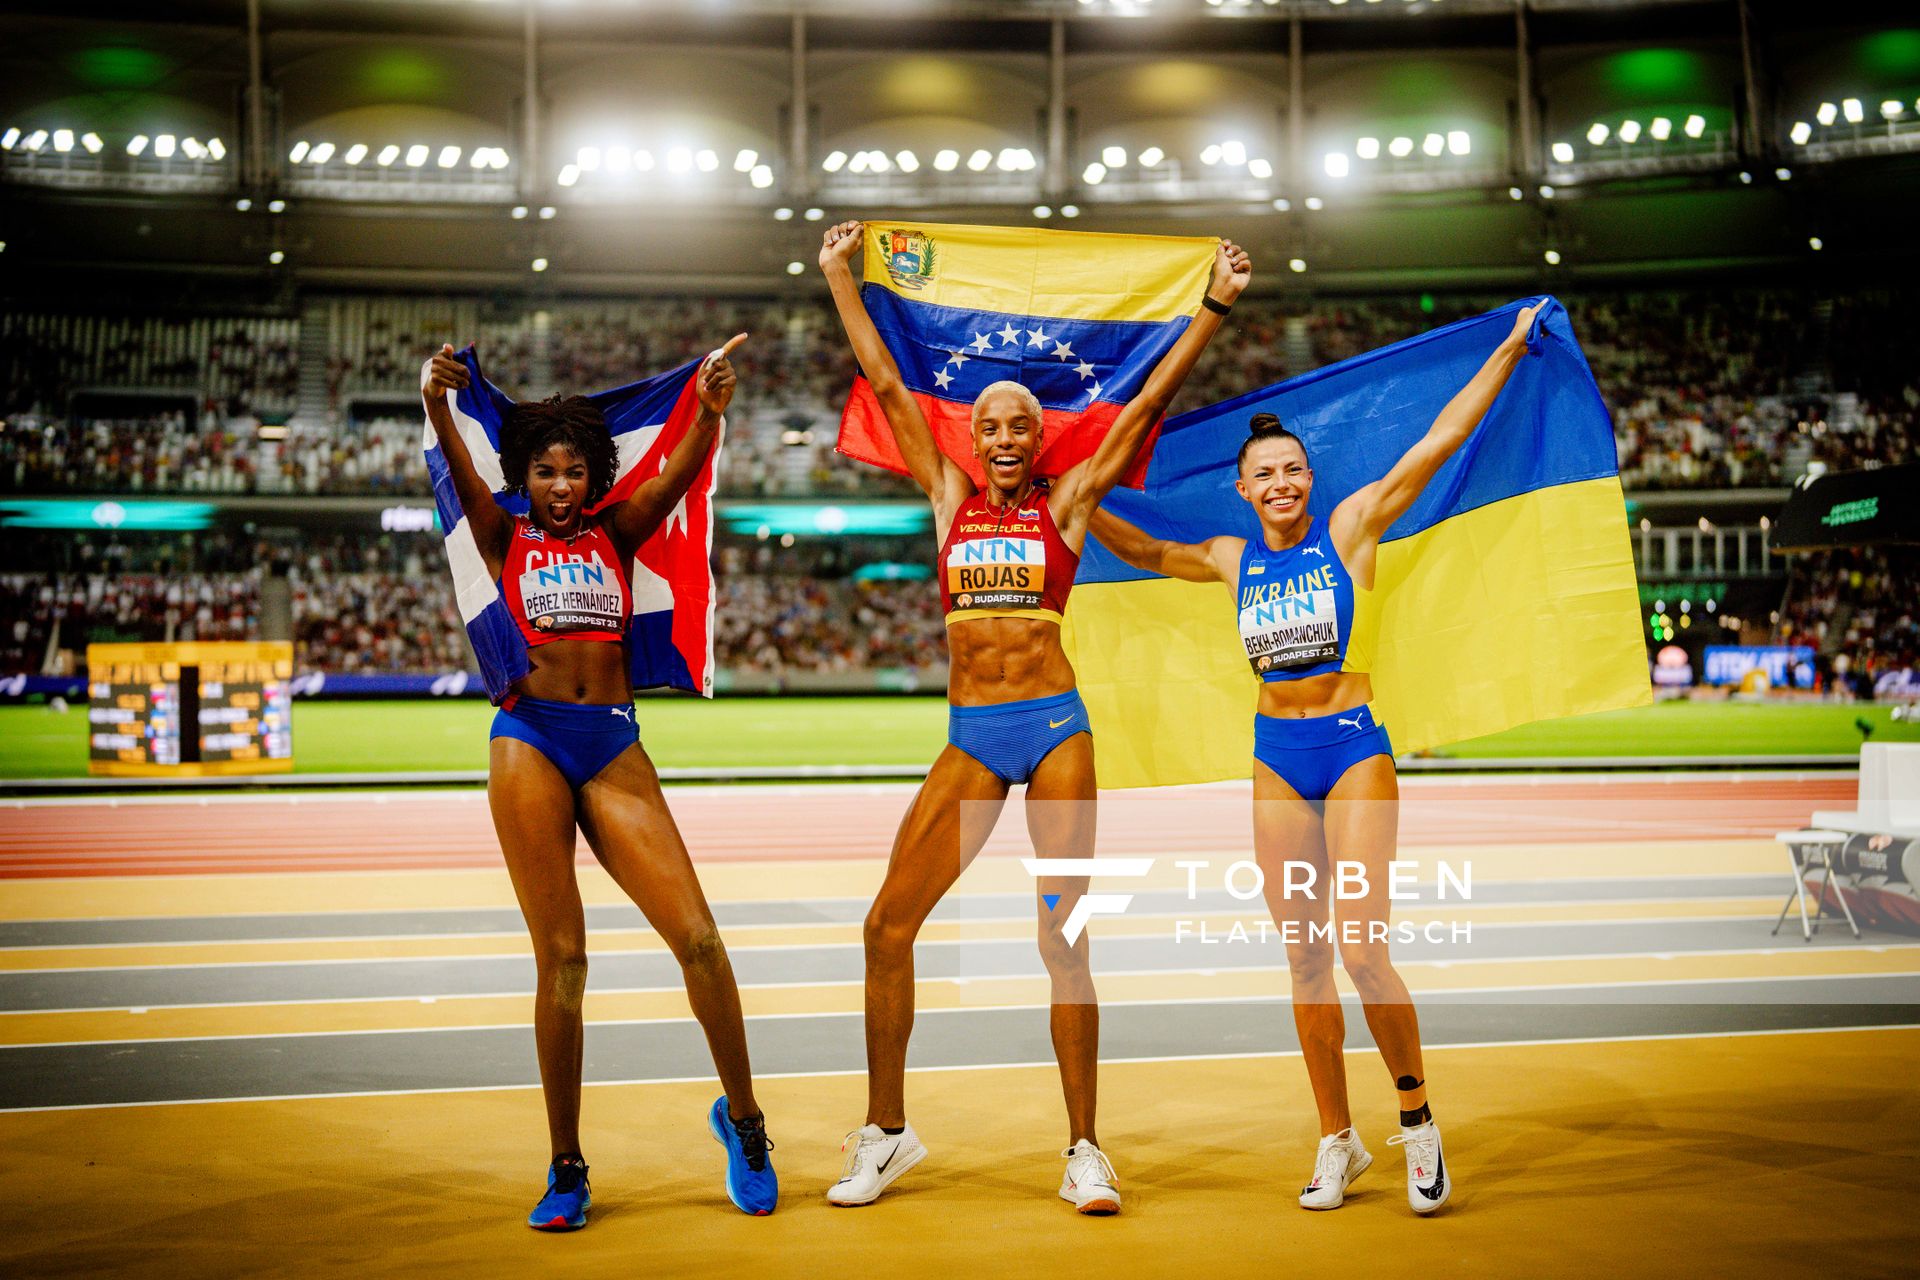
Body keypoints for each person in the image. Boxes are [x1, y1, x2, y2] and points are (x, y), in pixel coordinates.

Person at [816, 219, 1251, 1213]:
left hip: (1055, 727)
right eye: (990, 428)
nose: (1005, 437)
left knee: (1066, 939)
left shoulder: (1067, 505)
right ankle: (887, 1131)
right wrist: (839, 275)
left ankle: (1085, 1148)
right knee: (887, 926)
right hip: (973, 735)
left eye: (1018, 426)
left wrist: (1214, 303)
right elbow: (887, 384)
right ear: (971, 441)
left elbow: (1143, 405)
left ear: (1039, 436)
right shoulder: (947, 495)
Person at [1090, 303, 1542, 1216]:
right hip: (1275, 760)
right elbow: (1139, 546)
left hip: (1351, 752)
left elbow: (1438, 443)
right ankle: (1338, 1139)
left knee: (1365, 951)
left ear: (1308, 477)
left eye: (1294, 468)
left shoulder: (1350, 529)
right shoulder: (1227, 558)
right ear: (1245, 490)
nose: (1284, 481)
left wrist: (1505, 351)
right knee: (1305, 960)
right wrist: (1075, 489)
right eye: (1267, 474)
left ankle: (1417, 1123)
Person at [420, 337, 777, 1230]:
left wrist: (709, 406)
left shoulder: (618, 532)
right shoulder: (503, 530)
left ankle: (746, 1122)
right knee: (566, 960)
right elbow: (461, 472)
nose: (563, 486)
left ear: (595, 475)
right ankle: (567, 1166)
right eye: (545, 471)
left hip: (613, 742)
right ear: (525, 476)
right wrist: (434, 402)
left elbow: (678, 477)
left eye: (576, 471)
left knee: (699, 940)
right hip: (529, 738)